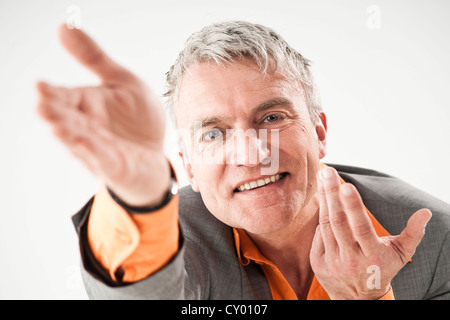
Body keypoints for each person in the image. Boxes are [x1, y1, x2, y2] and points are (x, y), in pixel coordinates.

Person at [37, 21, 450, 300]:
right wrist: (136, 194)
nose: (252, 153)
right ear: (190, 167)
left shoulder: (435, 242)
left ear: (319, 132)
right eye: (213, 133)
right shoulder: (173, 244)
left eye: (271, 118)